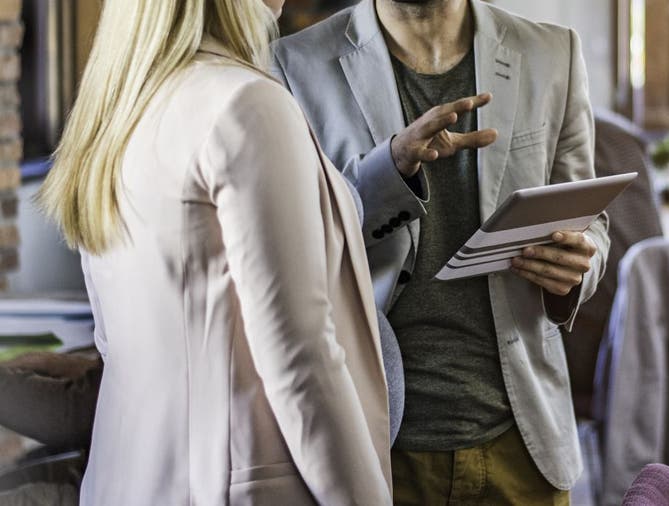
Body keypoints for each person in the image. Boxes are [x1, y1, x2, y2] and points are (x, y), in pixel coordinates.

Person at [36, 0, 392, 504]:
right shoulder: (245, 104)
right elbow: (301, 360)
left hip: (128, 479)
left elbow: (113, 343)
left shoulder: (119, 109)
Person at [272, 0, 610, 502]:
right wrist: (390, 169)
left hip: (523, 442)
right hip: (373, 445)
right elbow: (290, 248)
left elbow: (589, 221)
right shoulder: (291, 65)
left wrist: (578, 265)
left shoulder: (552, 52)